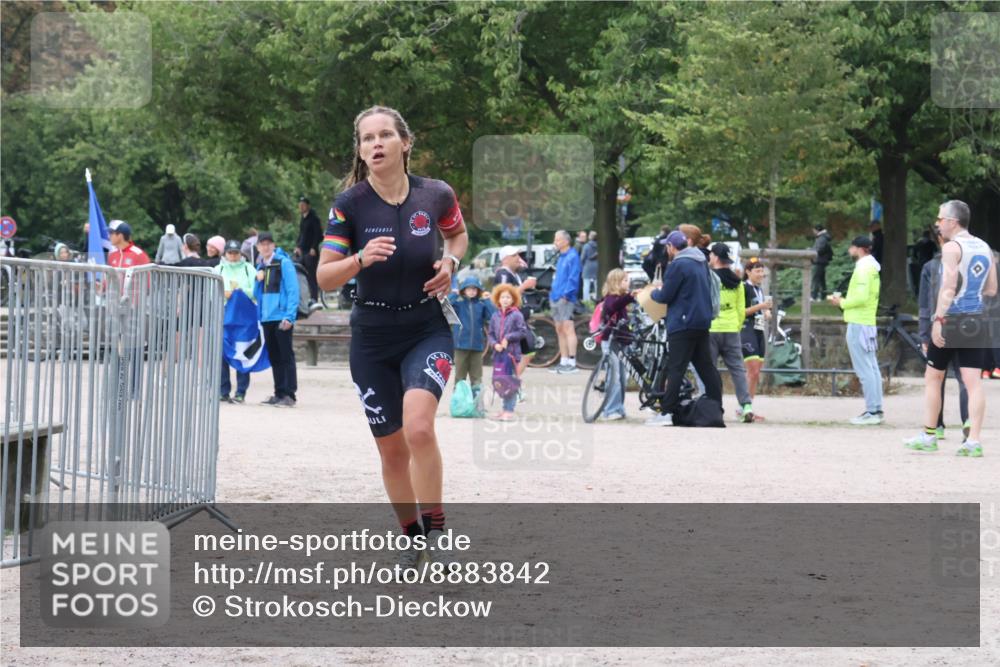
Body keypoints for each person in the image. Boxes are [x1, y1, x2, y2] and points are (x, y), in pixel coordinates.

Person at [315, 105, 468, 569]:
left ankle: (436, 529)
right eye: (367, 139)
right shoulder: (350, 205)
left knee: (420, 427)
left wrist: (450, 264)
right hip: (373, 336)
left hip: (426, 327)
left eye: (384, 135)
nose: (375, 144)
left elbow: (457, 237)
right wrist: (360, 258)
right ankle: (410, 535)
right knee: (392, 447)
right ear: (360, 151)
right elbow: (324, 277)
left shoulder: (436, 195)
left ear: (405, 142)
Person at [904, 200, 997, 457]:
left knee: (934, 376)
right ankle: (973, 441)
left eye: (940, 218)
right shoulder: (984, 247)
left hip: (952, 319)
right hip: (976, 319)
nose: (938, 223)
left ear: (952, 222)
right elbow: (991, 289)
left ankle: (929, 434)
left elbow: (948, 288)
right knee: (973, 383)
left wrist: (938, 321)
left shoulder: (952, 248)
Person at [646, 230, 723, 426]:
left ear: (672, 247)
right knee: (706, 367)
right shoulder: (700, 261)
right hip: (702, 321)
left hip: (682, 322)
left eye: (668, 246)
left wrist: (653, 293)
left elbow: (665, 296)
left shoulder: (678, 265)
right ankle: (716, 408)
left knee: (676, 368)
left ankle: (666, 413)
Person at [917, 228, 969, 440]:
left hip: (940, 325)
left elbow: (924, 303)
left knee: (935, 378)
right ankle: (969, 422)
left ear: (939, 239)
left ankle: (935, 425)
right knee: (967, 378)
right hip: (968, 326)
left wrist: (923, 334)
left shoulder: (931, 266)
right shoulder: (970, 264)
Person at [830, 236, 883, 425]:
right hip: (868, 322)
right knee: (872, 367)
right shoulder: (873, 268)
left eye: (851, 246)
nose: (849, 249)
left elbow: (860, 297)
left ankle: (871, 411)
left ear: (859, 249)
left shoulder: (862, 268)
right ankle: (876, 409)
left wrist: (841, 302)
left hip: (858, 322)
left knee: (864, 369)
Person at [708, 243, 754, 423]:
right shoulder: (738, 282)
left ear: (716, 258)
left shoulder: (709, 278)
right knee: (737, 370)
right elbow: (741, 310)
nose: (709, 257)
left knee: (709, 370)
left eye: (711, 254)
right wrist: (736, 326)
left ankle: (713, 405)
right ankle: (746, 405)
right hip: (732, 330)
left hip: (711, 329)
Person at [254, 231, 299, 408]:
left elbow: (293, 290)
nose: (265, 247)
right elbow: (255, 292)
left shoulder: (284, 263)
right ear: (258, 247)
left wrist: (290, 316)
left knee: (286, 356)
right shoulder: (260, 267)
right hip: (267, 318)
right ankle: (279, 392)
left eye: (268, 244)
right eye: (262, 244)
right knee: (274, 356)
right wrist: (257, 280)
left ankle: (290, 394)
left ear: (273, 245)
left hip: (281, 317)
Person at [216, 239, 257, 403]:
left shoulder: (249, 269)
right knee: (222, 353)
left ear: (241, 253)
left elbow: (255, 291)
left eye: (236, 253)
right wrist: (225, 293)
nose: (233, 256)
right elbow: (211, 290)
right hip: (223, 313)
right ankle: (223, 390)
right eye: (230, 253)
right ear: (225, 254)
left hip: (243, 315)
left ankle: (241, 391)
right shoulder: (217, 269)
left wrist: (239, 291)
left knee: (243, 353)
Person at [597, 269, 636, 421]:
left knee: (622, 378)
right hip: (611, 341)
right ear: (616, 283)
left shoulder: (622, 298)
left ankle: (618, 407)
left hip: (622, 340)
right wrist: (629, 297)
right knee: (614, 376)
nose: (629, 283)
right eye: (625, 280)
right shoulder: (610, 298)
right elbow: (614, 306)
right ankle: (610, 409)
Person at [488, 283, 529, 421]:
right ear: (498, 299)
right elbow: (491, 333)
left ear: (513, 299)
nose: (505, 299)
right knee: (500, 381)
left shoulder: (517, 315)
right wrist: (494, 344)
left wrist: (507, 338)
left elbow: (522, 331)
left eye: (508, 297)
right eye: (503, 297)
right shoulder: (495, 315)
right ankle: (504, 409)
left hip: (511, 354)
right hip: (498, 353)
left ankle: (509, 410)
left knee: (510, 381)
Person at [449, 275, 495, 398]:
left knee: (477, 377)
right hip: (460, 345)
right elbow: (446, 306)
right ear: (463, 290)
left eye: (475, 289)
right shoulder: (458, 305)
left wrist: (487, 301)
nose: (472, 291)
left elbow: (493, 316)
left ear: (478, 290)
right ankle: (459, 403)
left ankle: (477, 404)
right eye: (468, 288)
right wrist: (455, 293)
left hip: (477, 346)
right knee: (460, 376)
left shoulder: (481, 305)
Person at [740, 259, 772, 408]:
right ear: (748, 272)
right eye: (757, 271)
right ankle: (743, 407)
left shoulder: (759, 289)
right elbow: (741, 312)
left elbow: (759, 308)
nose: (761, 274)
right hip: (746, 330)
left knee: (756, 372)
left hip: (759, 330)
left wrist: (765, 311)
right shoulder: (743, 287)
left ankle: (749, 406)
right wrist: (761, 306)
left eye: (762, 271)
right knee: (752, 370)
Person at [549, 230, 582, 374]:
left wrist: (566, 295)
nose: (555, 242)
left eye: (558, 240)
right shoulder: (561, 256)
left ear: (566, 241)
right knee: (559, 329)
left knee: (568, 327)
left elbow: (573, 277)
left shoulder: (572, 256)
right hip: (555, 296)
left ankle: (572, 362)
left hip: (565, 297)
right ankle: (563, 360)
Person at [295, 196, 324, 312]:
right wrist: (297, 246)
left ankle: (314, 299)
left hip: (311, 252)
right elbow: (301, 234)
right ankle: (302, 300)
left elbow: (319, 234)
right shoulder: (302, 219)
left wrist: (313, 247)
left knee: (312, 276)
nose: (301, 207)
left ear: (308, 205)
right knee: (300, 274)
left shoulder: (314, 219)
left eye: (303, 204)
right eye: (300, 204)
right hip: (302, 251)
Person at [910, 229, 936, 298]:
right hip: (929, 263)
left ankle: (919, 293)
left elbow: (914, 252)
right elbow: (936, 252)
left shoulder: (919, 243)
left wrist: (916, 258)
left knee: (921, 279)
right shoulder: (931, 243)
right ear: (929, 236)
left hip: (921, 263)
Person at [811, 224, 833, 301]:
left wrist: (811, 251)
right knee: (821, 279)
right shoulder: (823, 237)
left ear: (817, 230)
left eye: (814, 230)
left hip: (820, 260)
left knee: (816, 278)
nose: (813, 232)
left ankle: (814, 296)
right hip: (822, 260)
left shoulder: (822, 238)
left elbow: (819, 249)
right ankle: (823, 295)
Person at [580, 231, 599, 303]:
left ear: (589, 237)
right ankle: (598, 298)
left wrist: (582, 265)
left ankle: (586, 301)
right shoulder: (599, 246)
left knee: (586, 285)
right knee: (597, 284)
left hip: (587, 266)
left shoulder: (586, 246)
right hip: (597, 266)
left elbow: (582, 258)